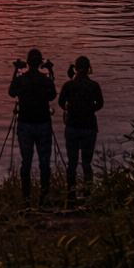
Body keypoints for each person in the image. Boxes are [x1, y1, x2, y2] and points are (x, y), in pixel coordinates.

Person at [8, 48, 57, 206]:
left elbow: (11, 92)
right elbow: (52, 95)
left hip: (25, 124)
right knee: (44, 162)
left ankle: (26, 199)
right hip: (43, 123)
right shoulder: (45, 80)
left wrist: (16, 70)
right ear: (40, 63)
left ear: (27, 63)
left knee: (26, 161)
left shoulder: (21, 79)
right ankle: (44, 198)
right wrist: (50, 72)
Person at [58, 55, 104, 201]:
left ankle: (71, 195)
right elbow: (100, 104)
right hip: (89, 127)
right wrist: (89, 110)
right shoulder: (94, 85)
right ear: (89, 68)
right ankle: (87, 194)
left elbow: (60, 102)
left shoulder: (68, 85)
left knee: (72, 163)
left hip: (72, 126)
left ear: (75, 68)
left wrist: (70, 111)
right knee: (86, 163)